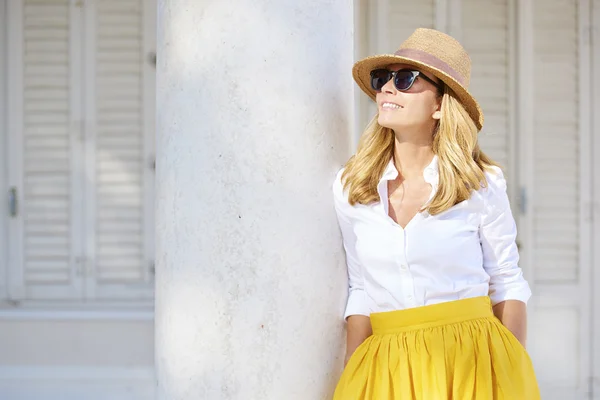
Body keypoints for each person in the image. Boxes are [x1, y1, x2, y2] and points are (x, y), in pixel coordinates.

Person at [331, 28, 540, 399]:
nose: (387, 89)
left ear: (441, 105)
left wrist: (511, 372)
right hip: (387, 366)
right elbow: (360, 288)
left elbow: (506, 281)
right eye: (382, 79)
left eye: (405, 79)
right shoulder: (352, 188)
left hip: (471, 361)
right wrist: (353, 369)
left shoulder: (480, 184)